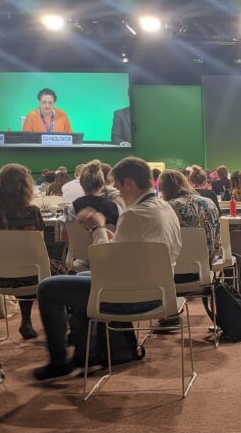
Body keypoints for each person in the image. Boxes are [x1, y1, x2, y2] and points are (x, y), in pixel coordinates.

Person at [35, 157, 182, 382]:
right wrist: (107, 233)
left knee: (47, 288)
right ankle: (88, 355)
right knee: (84, 280)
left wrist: (97, 227)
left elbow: (104, 263)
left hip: (132, 295)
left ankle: (59, 362)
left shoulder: (134, 214)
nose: (118, 192)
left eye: (118, 186)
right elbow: (131, 250)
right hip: (160, 291)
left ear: (129, 183)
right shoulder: (164, 208)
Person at [0, 163, 45, 340]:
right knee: (49, 271)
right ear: (26, 187)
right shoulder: (32, 212)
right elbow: (38, 251)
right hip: (32, 277)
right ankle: (28, 321)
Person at [159, 169, 221, 259]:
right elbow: (217, 237)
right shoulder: (209, 202)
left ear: (164, 189)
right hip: (206, 262)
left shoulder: (169, 207)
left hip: (177, 266)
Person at [69, 161, 121, 227]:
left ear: (81, 184)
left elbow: (65, 234)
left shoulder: (72, 208)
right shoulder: (115, 209)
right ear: (102, 184)